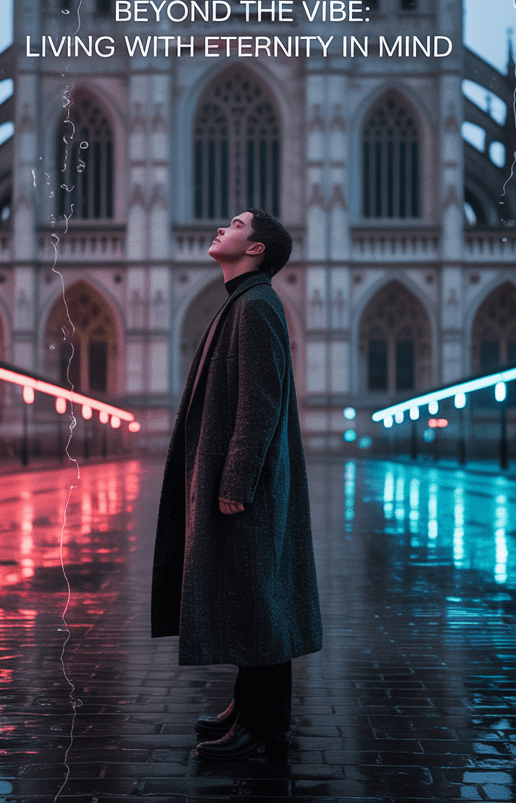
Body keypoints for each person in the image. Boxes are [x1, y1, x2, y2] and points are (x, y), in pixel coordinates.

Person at [151, 208, 323, 761]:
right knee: (252, 593)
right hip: (240, 476)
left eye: (237, 224)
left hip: (248, 482)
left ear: (255, 249)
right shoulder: (245, 302)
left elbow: (260, 402)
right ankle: (246, 705)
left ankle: (264, 724)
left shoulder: (255, 306)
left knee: (259, 596)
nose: (222, 228)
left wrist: (238, 478)